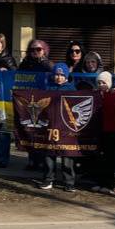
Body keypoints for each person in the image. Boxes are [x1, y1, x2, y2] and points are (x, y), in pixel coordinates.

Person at [39, 63, 77, 192]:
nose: (59, 77)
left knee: (67, 156)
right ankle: (48, 179)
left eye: (62, 75)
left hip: (66, 129)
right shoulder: (47, 89)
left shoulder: (72, 89)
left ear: (66, 76)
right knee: (49, 155)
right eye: (56, 75)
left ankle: (69, 182)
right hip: (50, 127)